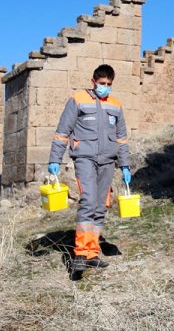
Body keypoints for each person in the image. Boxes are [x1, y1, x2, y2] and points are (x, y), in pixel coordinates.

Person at [48, 64, 132, 273]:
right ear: (93, 81)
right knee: (88, 201)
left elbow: (122, 139)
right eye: (102, 83)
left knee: (101, 206)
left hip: (107, 161)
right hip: (84, 158)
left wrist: (125, 165)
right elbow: (62, 132)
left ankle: (93, 253)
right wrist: (55, 160)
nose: (105, 87)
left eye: (109, 84)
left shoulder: (116, 105)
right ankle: (80, 253)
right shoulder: (77, 100)